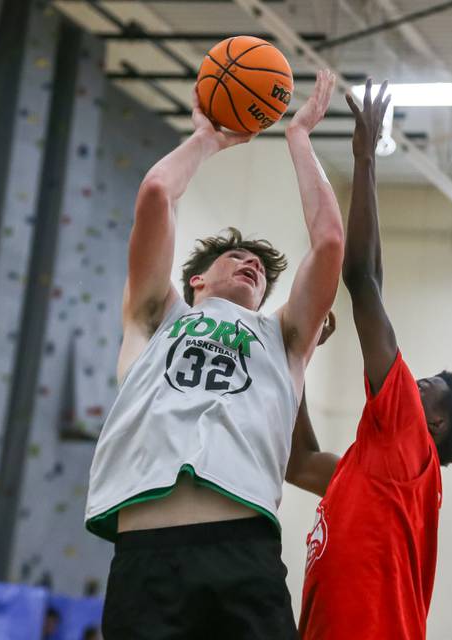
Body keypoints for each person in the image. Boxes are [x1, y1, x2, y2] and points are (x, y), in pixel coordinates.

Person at [85, 69, 343, 639]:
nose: (250, 263)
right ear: (196, 280)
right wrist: (208, 137)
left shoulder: (284, 338)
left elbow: (329, 243)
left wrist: (299, 139)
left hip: (243, 552)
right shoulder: (156, 316)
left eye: (259, 266)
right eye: (236, 257)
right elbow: (157, 192)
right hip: (146, 556)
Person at [292, 80, 452, 640]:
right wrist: (299, 359)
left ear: (435, 423)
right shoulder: (374, 475)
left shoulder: (408, 441)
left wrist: (364, 159)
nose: (408, 382)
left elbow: (363, 280)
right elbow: (298, 462)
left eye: (423, 385)